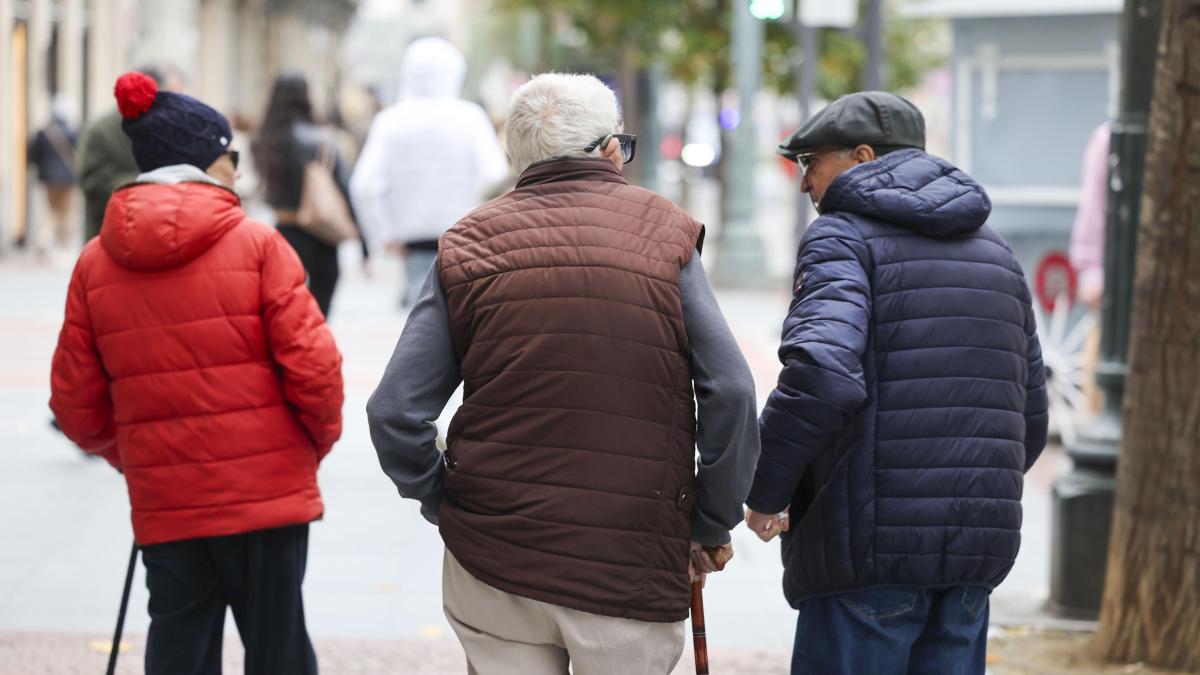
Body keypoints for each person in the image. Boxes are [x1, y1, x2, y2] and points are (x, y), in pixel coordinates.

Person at [366, 73, 759, 674]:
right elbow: (730, 390)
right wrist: (709, 518)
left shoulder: (468, 242)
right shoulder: (664, 232)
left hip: (494, 554)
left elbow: (395, 410)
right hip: (628, 555)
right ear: (608, 149)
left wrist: (443, 499)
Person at [49, 72, 343, 675]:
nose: (237, 166)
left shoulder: (94, 263)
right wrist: (304, 447)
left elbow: (74, 405)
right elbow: (317, 371)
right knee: (278, 647)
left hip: (167, 498)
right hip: (265, 495)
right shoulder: (259, 246)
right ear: (209, 162)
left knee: (179, 647)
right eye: (230, 153)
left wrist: (138, 453)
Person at [746, 91, 1048, 675]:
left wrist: (766, 490)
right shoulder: (996, 251)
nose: (805, 182)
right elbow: (1029, 415)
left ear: (862, 156)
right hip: (972, 558)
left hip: (867, 555)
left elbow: (822, 374)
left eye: (812, 162)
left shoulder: (842, 237)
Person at [350, 37, 507, 308]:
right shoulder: (470, 117)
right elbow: (496, 179)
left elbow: (364, 186)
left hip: (414, 247)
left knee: (422, 329)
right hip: (468, 241)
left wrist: (384, 235)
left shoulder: (390, 121)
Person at [253, 73, 363, 317]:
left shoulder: (263, 140)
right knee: (320, 315)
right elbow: (346, 190)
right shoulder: (323, 139)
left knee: (284, 312)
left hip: (283, 233)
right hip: (322, 235)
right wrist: (364, 245)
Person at [76, 65, 184, 241]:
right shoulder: (100, 130)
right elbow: (92, 182)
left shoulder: (167, 130)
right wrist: (148, 186)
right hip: (108, 237)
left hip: (154, 238)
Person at [27, 94, 79, 255]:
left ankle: (45, 238)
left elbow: (33, 155)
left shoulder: (43, 133)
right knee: (66, 212)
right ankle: (62, 243)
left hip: (49, 179)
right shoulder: (72, 132)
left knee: (52, 210)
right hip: (67, 178)